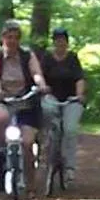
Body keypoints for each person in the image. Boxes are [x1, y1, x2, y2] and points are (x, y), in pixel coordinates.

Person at [0, 21, 50, 200]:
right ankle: (0, 154)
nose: (12, 41)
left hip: (26, 102)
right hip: (4, 102)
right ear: (2, 38)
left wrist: (40, 85)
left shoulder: (27, 56)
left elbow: (36, 73)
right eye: (9, 37)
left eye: (16, 37)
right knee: (1, 119)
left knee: (27, 144)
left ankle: (31, 190)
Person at [36, 28, 85, 190]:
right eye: (57, 39)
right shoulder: (47, 58)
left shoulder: (72, 58)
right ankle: (47, 152)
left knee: (70, 129)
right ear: (53, 41)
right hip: (52, 98)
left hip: (71, 100)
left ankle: (70, 168)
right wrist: (42, 88)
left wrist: (79, 95)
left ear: (67, 41)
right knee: (49, 120)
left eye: (63, 39)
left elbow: (79, 78)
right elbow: (40, 76)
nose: (60, 42)